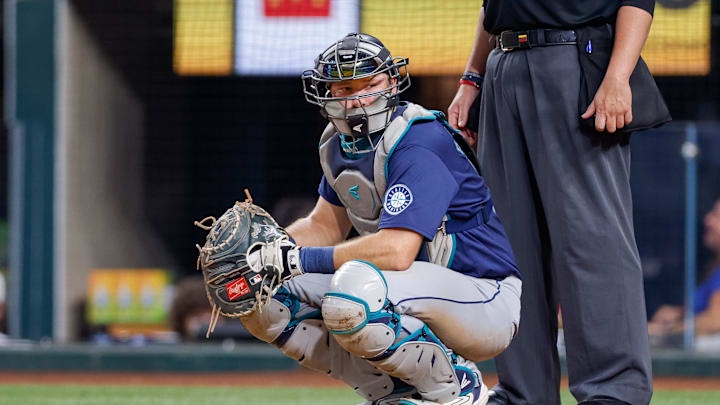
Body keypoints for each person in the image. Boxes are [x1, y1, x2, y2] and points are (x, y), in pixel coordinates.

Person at [236, 33, 522, 405]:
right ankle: (389, 390)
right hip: (412, 292)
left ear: (391, 82)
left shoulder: (417, 139)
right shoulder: (338, 144)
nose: (358, 100)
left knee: (353, 291)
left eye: (370, 84)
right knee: (263, 295)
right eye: (344, 89)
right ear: (326, 95)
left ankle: (455, 387)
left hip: (484, 297)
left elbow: (397, 251)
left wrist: (294, 259)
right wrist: (262, 254)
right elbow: (324, 226)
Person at [447, 2, 657, 404]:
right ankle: (523, 392)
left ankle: (614, 392)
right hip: (502, 65)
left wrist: (619, 74)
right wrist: (472, 77)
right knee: (511, 248)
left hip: (574, 60)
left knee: (592, 244)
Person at [649, 199, 720, 343]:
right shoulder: (714, 268)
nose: (707, 220)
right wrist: (679, 313)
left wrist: (663, 332)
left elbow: (715, 321)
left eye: (716, 216)